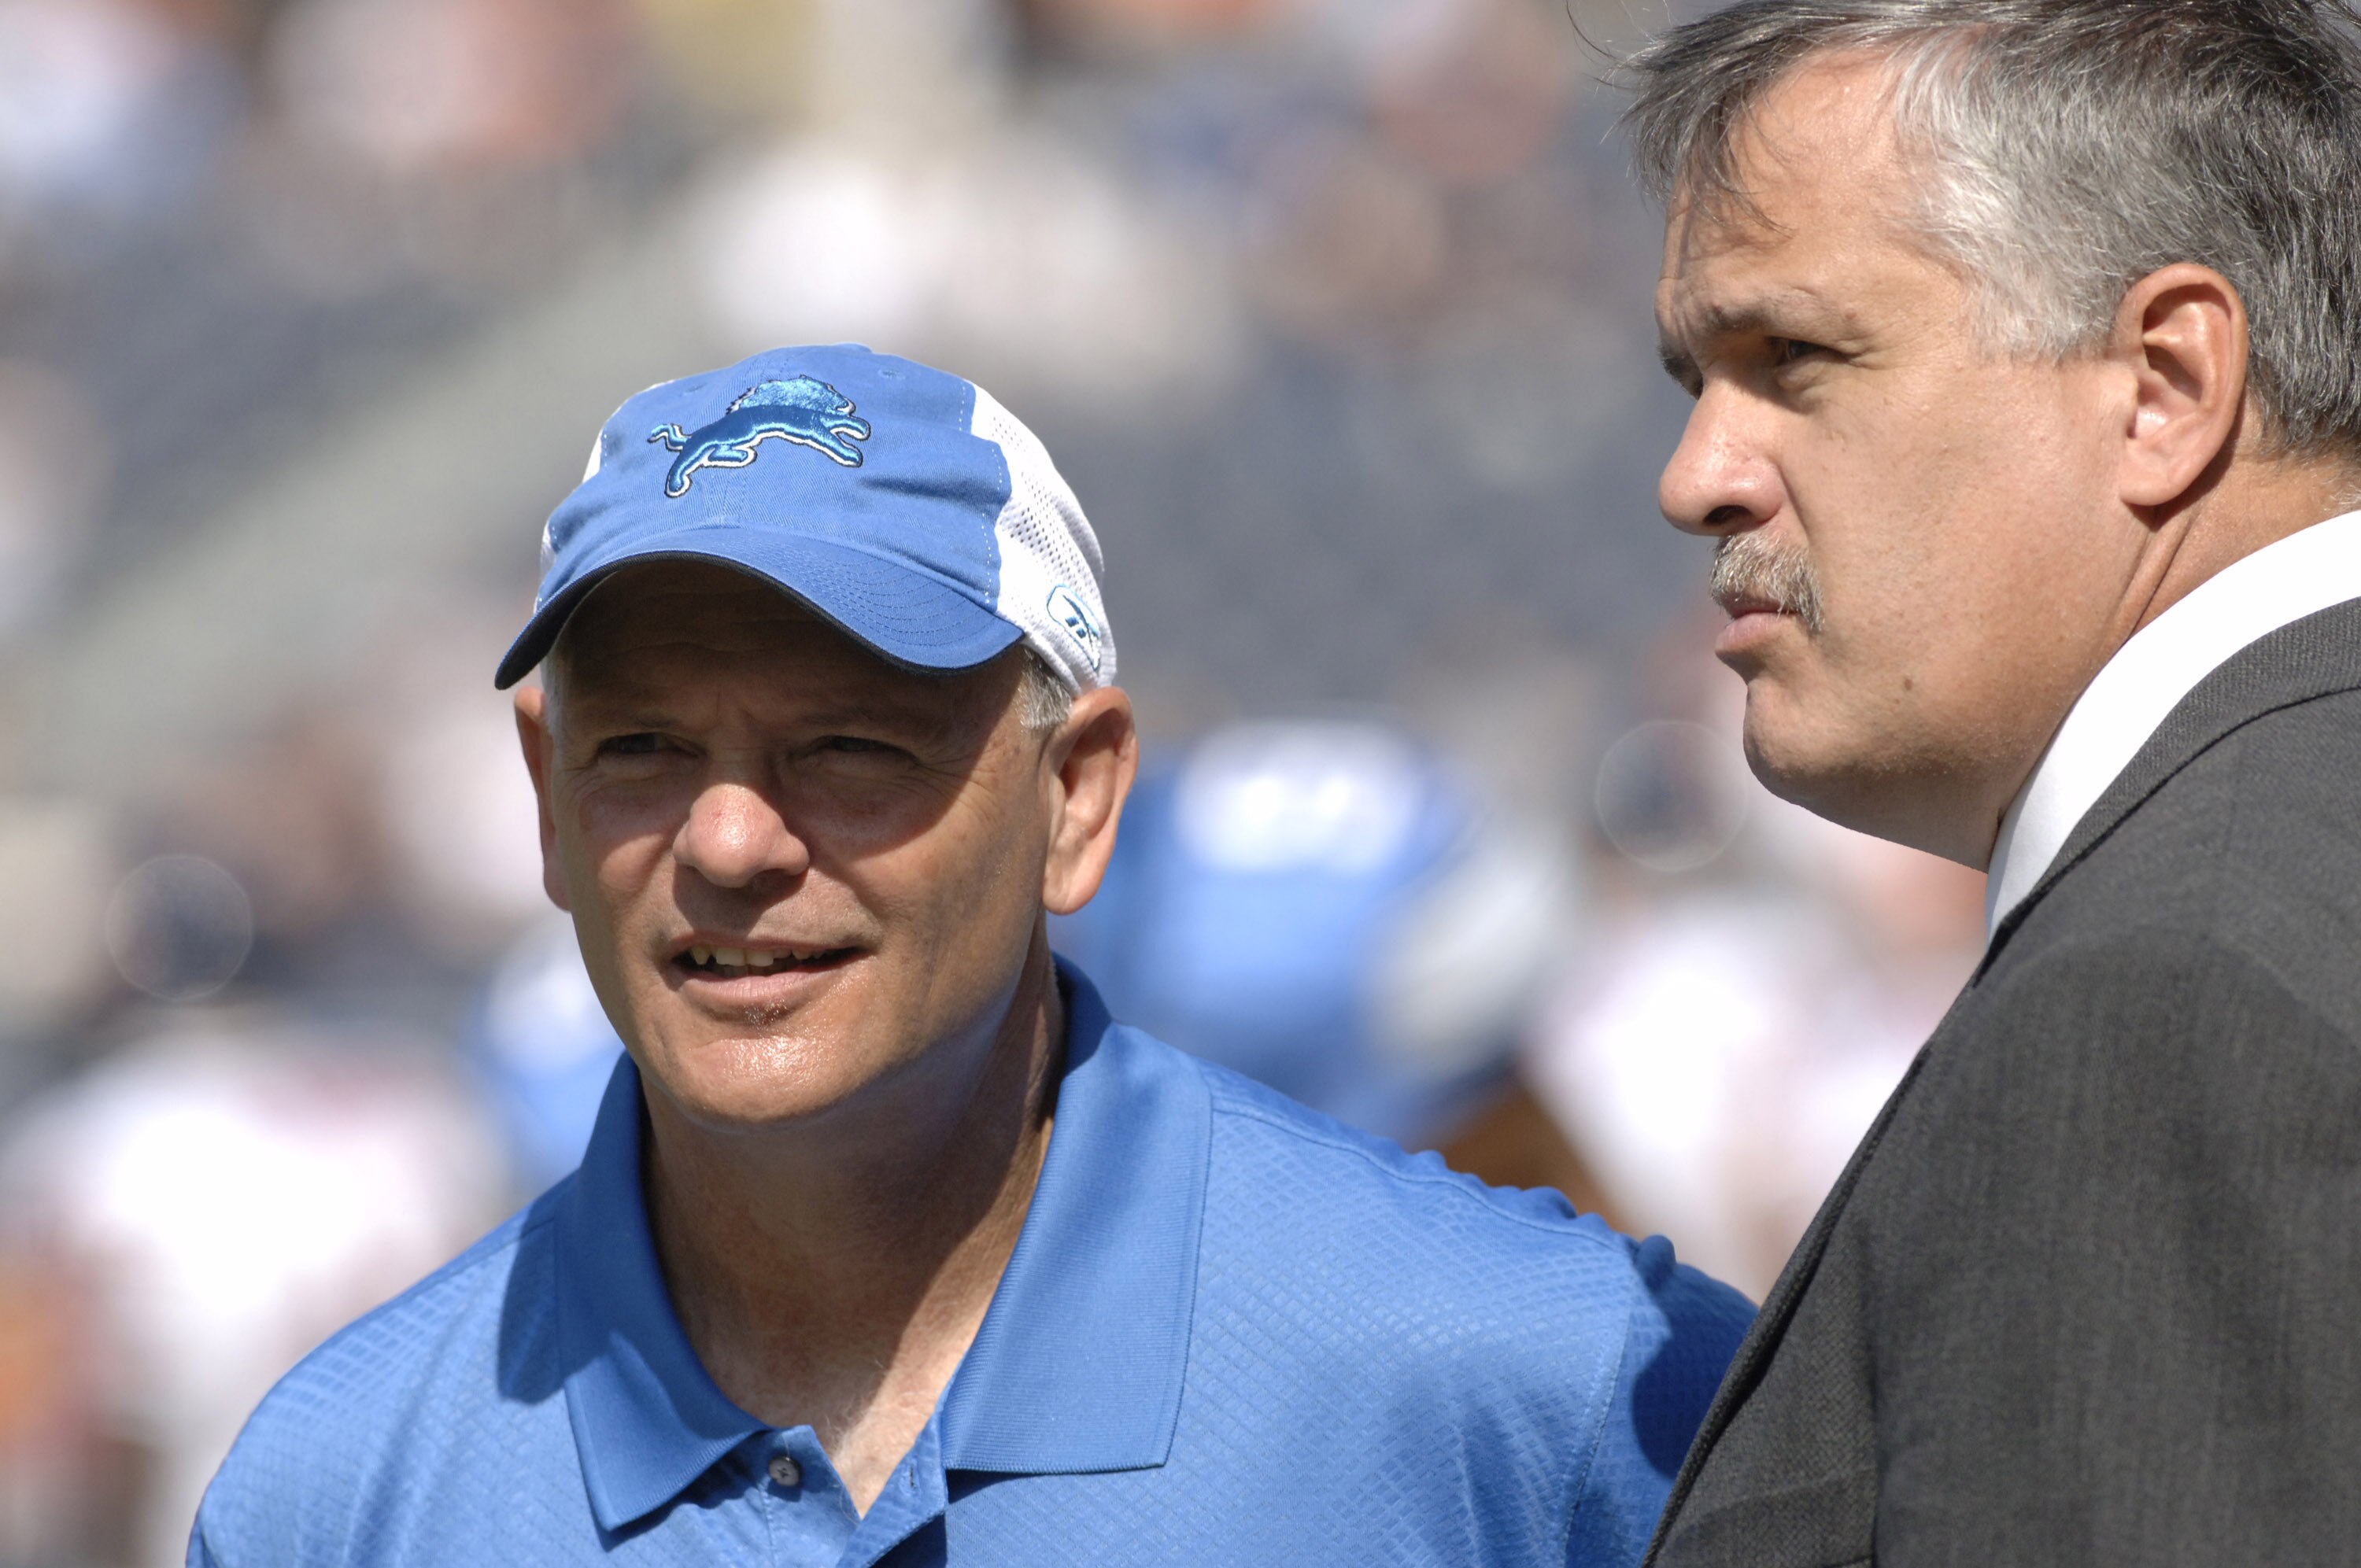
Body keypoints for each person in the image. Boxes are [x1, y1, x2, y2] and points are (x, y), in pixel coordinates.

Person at [187, 344, 1750, 1566]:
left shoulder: (1533, 1379)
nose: (730, 843)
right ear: (543, 796)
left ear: (1078, 796)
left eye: (852, 746)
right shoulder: (339, 1495)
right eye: (647, 747)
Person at [1625, 2, 2361, 1562]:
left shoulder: (2174, 993)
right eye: (1699, 376)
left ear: (2166, 383)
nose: (1700, 475)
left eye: (1796, 359)